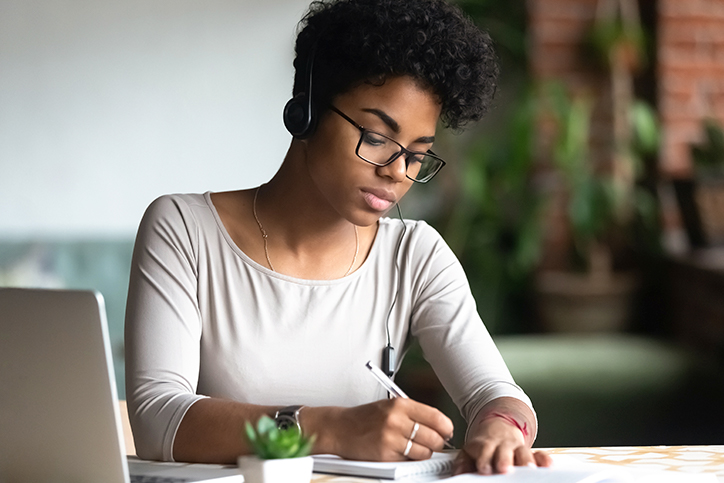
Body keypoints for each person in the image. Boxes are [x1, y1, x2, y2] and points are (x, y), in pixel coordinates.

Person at [125, 0, 552, 475]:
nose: (396, 172)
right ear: (305, 111)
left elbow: (497, 394)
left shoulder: (415, 256)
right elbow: (157, 419)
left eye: (416, 155)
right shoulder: (185, 229)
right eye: (375, 138)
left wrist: (499, 428)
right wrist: (329, 429)